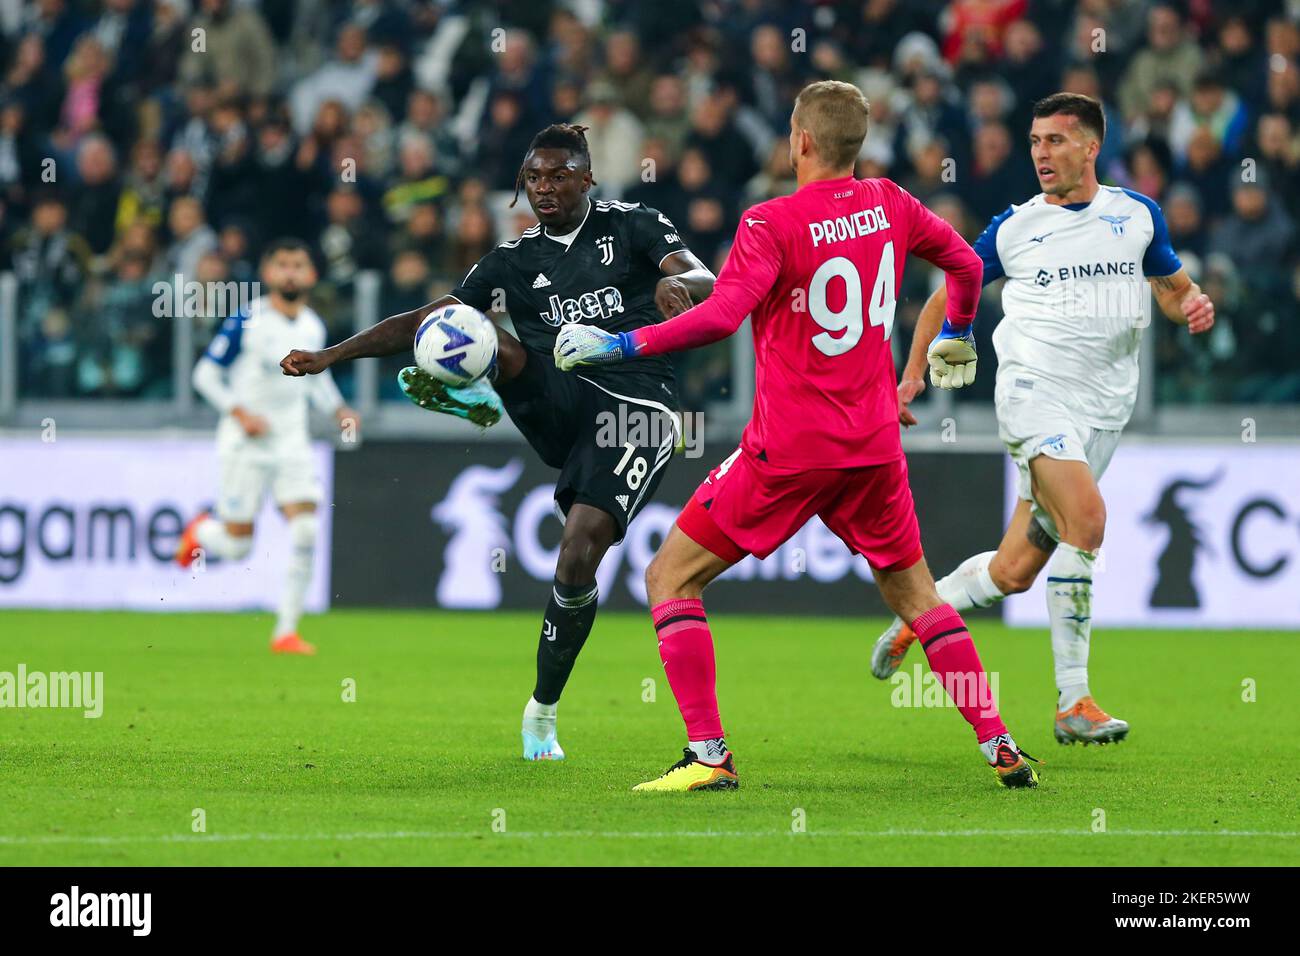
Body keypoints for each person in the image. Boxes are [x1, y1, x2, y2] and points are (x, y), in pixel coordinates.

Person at [554, 81, 1038, 791]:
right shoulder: (892, 204)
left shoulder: (769, 222)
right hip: (872, 447)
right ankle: (999, 743)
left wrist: (619, 346)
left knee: (669, 577)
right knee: (920, 599)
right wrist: (959, 333)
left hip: (788, 452)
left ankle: (709, 757)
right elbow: (966, 265)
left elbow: (721, 318)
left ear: (801, 141)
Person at [279, 124, 716, 761]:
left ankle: (542, 710)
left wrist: (682, 291)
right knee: (467, 323)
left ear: (587, 178)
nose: (544, 188)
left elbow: (710, 281)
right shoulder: (512, 261)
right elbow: (423, 319)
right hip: (560, 401)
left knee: (575, 557)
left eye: (559, 175)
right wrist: (331, 356)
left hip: (637, 405)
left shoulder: (635, 224)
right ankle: (477, 384)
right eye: (533, 178)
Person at [870, 93, 1215, 745]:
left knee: (1014, 572)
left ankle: (921, 612)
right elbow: (949, 287)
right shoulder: (1015, 227)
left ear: (1091, 147)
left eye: (1055, 141)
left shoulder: (1136, 216)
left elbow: (1171, 290)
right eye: (1034, 142)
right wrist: (910, 376)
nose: (1041, 154)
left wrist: (1193, 306)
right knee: (1088, 520)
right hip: (1034, 390)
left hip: (1104, 409)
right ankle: (1073, 701)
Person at [177, 238, 359, 655]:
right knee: (239, 544)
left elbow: (317, 378)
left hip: (292, 441)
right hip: (246, 443)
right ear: (268, 273)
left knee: (307, 527)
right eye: (283, 265)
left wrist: (338, 410)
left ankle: (286, 632)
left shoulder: (313, 325)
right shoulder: (248, 319)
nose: (291, 272)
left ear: (311, 274)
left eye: (299, 265)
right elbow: (204, 375)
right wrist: (238, 412)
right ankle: (200, 531)